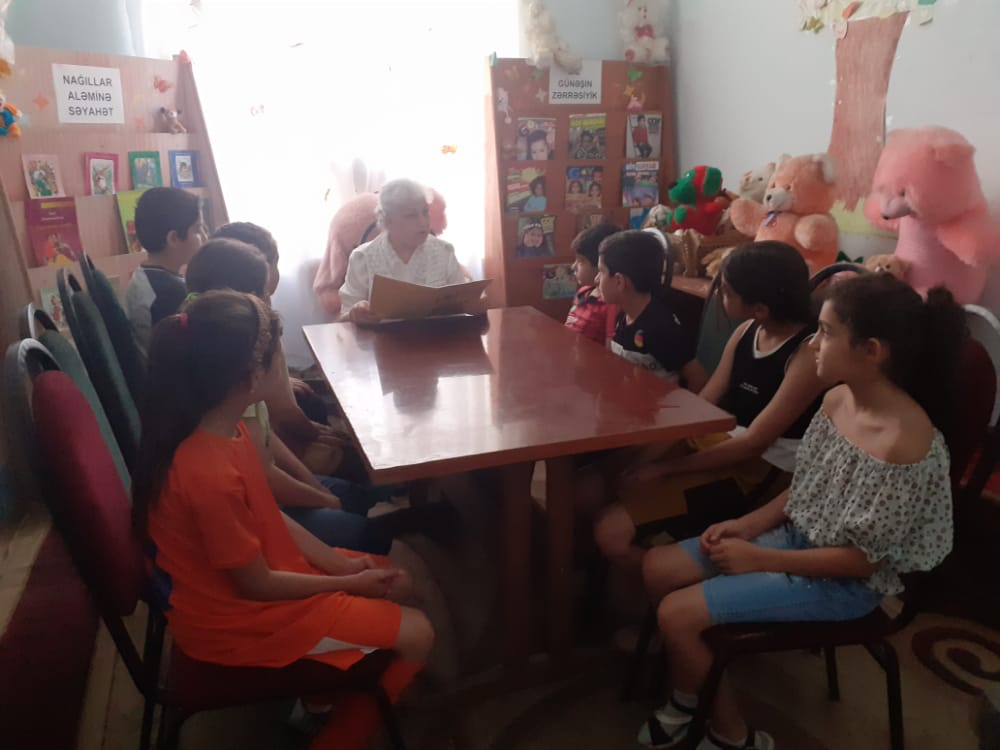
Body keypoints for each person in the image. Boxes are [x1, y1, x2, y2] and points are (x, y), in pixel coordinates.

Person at [636, 274, 962, 750]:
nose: (812, 344)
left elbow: (863, 562)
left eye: (826, 332)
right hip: (798, 542)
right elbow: (805, 488)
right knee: (656, 566)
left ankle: (732, 735)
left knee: (677, 614)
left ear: (871, 351)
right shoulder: (836, 399)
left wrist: (759, 558)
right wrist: (745, 526)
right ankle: (691, 696)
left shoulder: (903, 447)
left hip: (845, 585)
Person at [133, 290, 434, 750]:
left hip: (259, 582)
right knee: (419, 633)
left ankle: (319, 697)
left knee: (396, 581)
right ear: (251, 376)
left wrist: (340, 566)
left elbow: (266, 515)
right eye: (277, 356)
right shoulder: (207, 472)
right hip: (237, 623)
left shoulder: (223, 428)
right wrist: (346, 583)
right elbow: (256, 586)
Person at [592, 242, 825, 576]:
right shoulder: (747, 331)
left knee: (611, 532)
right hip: (722, 444)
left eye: (726, 292)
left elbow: (753, 444)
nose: (718, 298)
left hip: (760, 470)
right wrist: (648, 457)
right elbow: (702, 405)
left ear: (760, 308)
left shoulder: (805, 355)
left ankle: (669, 581)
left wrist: (667, 468)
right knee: (609, 478)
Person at [184, 238, 393, 554]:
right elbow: (264, 479)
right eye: (264, 293)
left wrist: (316, 487)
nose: (269, 300)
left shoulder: (222, 358)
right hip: (258, 508)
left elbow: (267, 445)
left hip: (263, 491)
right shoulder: (231, 375)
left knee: (351, 496)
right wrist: (324, 499)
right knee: (366, 531)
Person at [340, 179, 466, 324]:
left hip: (438, 336)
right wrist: (354, 314)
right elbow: (342, 320)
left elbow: (465, 305)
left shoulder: (445, 252)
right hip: (379, 338)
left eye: (425, 212)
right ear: (388, 220)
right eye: (411, 216)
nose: (423, 222)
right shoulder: (362, 258)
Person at [597, 230, 698, 384]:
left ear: (619, 282)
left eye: (601, 271)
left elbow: (697, 378)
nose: (596, 279)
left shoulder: (661, 328)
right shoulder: (623, 315)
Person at [126, 187, 207, 354]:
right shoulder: (170, 294)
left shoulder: (146, 275)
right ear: (174, 238)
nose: (205, 236)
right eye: (198, 229)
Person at [565, 223, 623, 345]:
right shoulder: (583, 292)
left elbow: (610, 348)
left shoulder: (611, 304)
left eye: (581, 261)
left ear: (600, 265)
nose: (573, 266)